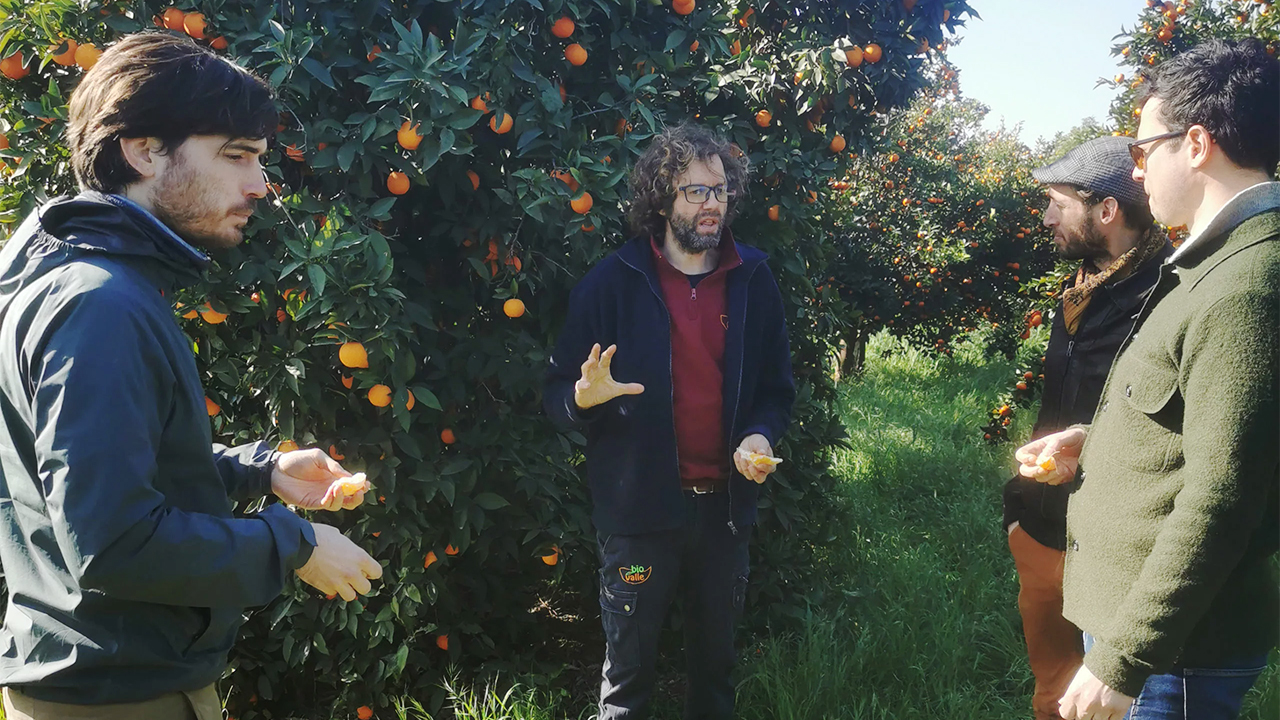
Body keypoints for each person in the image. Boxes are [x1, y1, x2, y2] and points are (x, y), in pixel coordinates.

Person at [0, 33, 383, 719]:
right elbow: (115, 543)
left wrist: (257, 472)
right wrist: (291, 543)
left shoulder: (78, 279)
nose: (258, 186)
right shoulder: (99, 305)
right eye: (236, 157)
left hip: (102, 679)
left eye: (260, 162)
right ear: (143, 151)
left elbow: (95, 471)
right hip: (118, 698)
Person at [1016, 38, 1279, 720]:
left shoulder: (1245, 285)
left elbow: (1225, 494)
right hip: (1158, 640)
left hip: (1175, 655)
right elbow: (1191, 425)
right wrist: (1092, 441)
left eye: (1142, 150)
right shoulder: (1213, 263)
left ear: (1194, 144)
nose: (1135, 174)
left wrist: (1124, 658)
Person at [543, 123, 795, 719]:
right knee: (627, 676)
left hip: (723, 516)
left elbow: (775, 390)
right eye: (695, 192)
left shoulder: (752, 279)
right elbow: (555, 396)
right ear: (661, 199)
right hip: (638, 519)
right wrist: (583, 398)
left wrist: (759, 434)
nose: (712, 205)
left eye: (721, 190)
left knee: (715, 672)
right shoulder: (613, 283)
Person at [1003, 136, 1171, 720]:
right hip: (1042, 526)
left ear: (1106, 210)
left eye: (1056, 202)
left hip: (1111, 538)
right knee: (1051, 691)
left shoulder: (1166, 295)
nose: (1045, 216)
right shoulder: (1080, 288)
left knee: (1106, 701)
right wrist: (1018, 515)